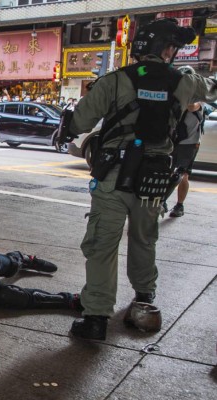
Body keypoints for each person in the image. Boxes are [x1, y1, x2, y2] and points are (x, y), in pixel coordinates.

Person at [64, 18, 217, 341]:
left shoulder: (115, 81)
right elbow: (212, 87)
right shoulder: (183, 81)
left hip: (114, 177)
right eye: (173, 47)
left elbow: (80, 121)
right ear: (164, 49)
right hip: (154, 180)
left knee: (103, 245)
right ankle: (144, 300)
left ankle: (95, 319)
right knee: (145, 239)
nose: (174, 52)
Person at [166, 66, 205, 218]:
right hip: (172, 140)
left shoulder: (197, 99)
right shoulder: (174, 95)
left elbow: (191, 106)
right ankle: (161, 200)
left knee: (182, 175)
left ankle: (179, 205)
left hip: (189, 143)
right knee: (166, 172)